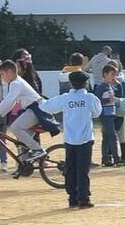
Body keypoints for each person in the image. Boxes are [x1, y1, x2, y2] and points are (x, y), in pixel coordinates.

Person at [37, 72, 101, 209]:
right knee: (82, 169)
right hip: (85, 138)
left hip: (70, 139)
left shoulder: (65, 98)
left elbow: (46, 107)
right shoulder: (90, 98)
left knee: (70, 168)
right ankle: (83, 198)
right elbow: (97, 113)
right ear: (86, 83)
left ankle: (72, 197)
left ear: (71, 83)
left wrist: (38, 99)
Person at [91, 65, 125, 167]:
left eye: (114, 74)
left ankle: (105, 159)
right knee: (112, 136)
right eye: (112, 74)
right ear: (105, 74)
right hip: (105, 114)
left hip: (110, 113)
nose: (114, 76)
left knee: (106, 137)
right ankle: (116, 159)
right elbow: (97, 101)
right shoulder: (101, 87)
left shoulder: (109, 85)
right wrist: (109, 100)